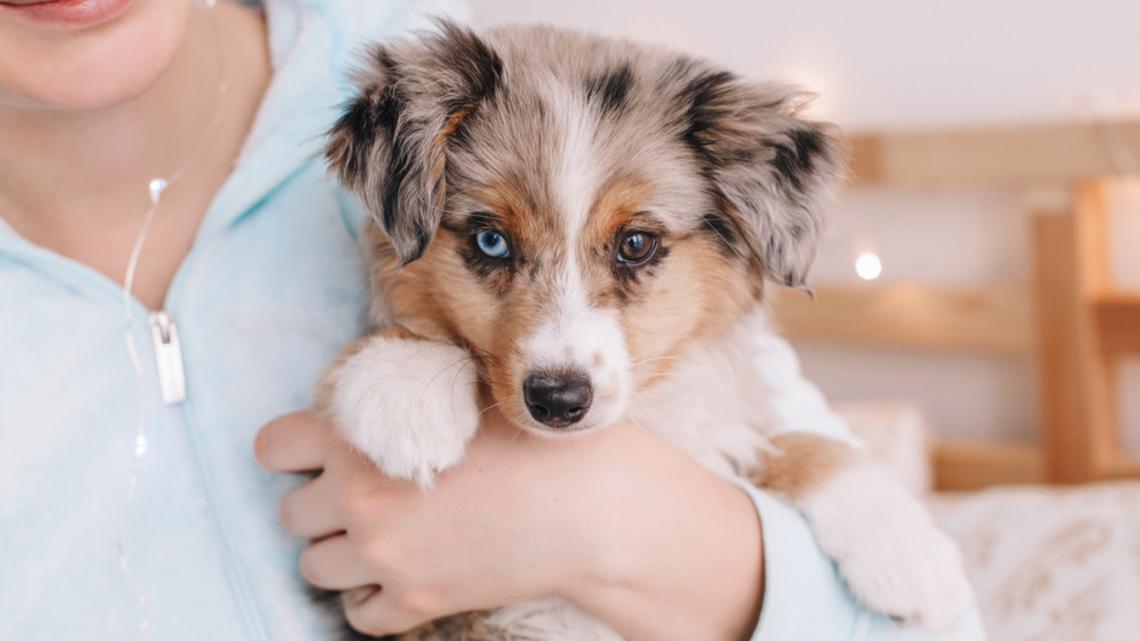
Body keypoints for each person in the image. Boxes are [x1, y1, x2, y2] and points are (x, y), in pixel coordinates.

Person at [0, 0, 986, 639]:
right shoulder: (424, 122)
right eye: (492, 246)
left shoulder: (425, 51)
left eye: (634, 248)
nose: (561, 339)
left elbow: (931, 624)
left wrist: (625, 526)